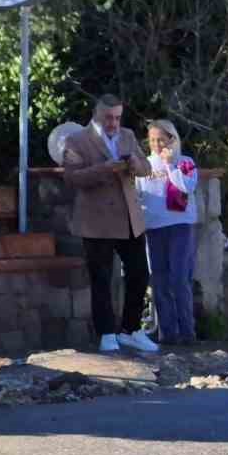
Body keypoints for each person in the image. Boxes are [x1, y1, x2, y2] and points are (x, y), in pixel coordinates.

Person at [61, 94, 159, 353]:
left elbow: (146, 168)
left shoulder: (127, 135)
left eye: (117, 117)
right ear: (96, 114)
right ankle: (106, 333)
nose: (113, 123)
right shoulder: (77, 140)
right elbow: (71, 178)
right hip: (97, 220)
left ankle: (131, 329)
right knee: (101, 278)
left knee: (140, 273)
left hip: (129, 218)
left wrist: (135, 163)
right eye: (108, 118)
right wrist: (105, 169)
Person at [137, 119, 200, 346]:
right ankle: (167, 332)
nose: (155, 144)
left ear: (171, 139)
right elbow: (139, 194)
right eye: (152, 139)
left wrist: (171, 165)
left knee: (179, 279)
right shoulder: (144, 165)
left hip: (180, 227)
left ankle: (187, 331)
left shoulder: (186, 162)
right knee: (160, 280)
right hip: (155, 227)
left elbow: (187, 187)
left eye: (160, 139)